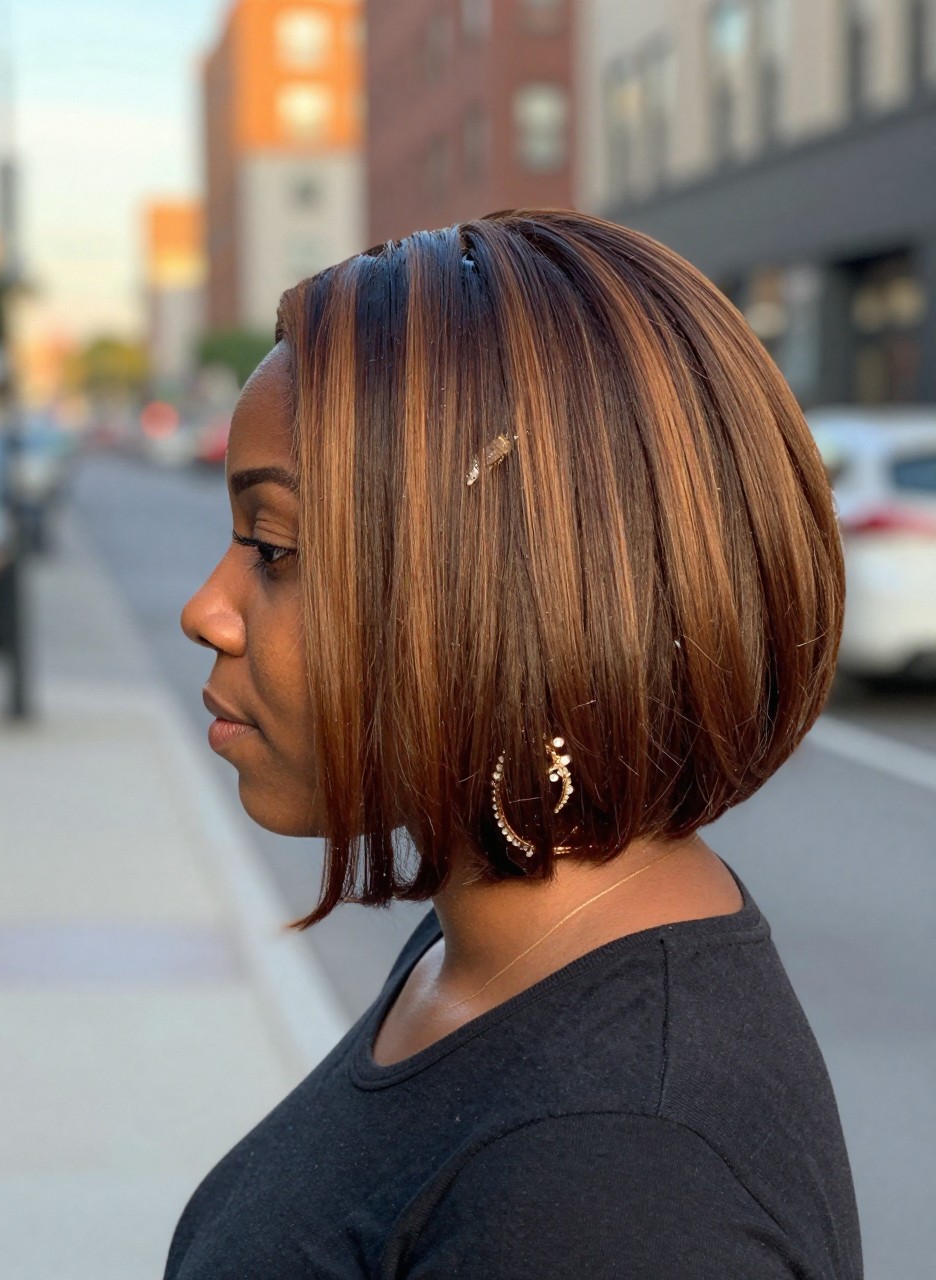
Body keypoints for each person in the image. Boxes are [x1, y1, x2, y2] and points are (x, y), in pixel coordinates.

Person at [170, 209, 862, 1278]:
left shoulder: (615, 1183)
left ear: (513, 592)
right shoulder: (495, 936)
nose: (207, 609)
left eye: (274, 546)